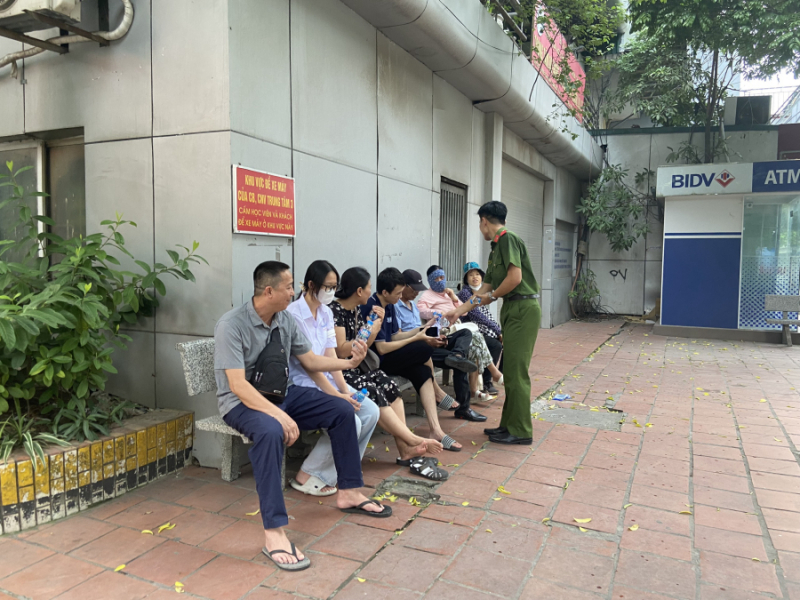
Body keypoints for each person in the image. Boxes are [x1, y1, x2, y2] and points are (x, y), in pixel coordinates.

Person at [215, 261, 391, 572]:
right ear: (268, 291)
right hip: (241, 403)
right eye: (287, 287)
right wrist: (279, 416)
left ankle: (349, 491)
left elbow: (309, 360)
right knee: (270, 431)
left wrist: (349, 364)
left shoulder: (284, 319)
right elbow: (237, 385)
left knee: (341, 409)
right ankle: (274, 531)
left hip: (282, 394)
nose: (293, 292)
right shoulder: (232, 324)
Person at [330, 267, 448, 477]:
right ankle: (411, 440)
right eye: (368, 287)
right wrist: (373, 329)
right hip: (340, 372)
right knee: (373, 391)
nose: (371, 292)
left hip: (357, 367)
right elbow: (342, 351)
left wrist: (373, 329)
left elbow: (365, 343)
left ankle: (405, 450)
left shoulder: (357, 310)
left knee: (389, 385)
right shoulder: (335, 311)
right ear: (359, 291)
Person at [446, 201, 541, 445]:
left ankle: (520, 431)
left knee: (516, 373)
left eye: (480, 223)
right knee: (510, 371)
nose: (481, 228)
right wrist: (458, 311)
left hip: (522, 308)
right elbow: (484, 288)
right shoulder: (496, 248)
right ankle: (508, 425)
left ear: (484, 221)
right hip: (512, 308)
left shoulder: (507, 239)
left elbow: (514, 278)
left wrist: (493, 296)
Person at [286, 260, 380, 497]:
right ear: (311, 285)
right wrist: (337, 395)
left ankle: (335, 473)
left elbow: (330, 355)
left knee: (370, 411)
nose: (331, 292)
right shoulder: (294, 315)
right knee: (351, 419)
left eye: (334, 287)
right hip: (303, 384)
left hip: (326, 378)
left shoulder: (326, 312)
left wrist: (344, 390)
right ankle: (306, 475)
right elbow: (310, 366)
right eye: (327, 287)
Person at [361, 267, 464, 452]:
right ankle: (438, 392)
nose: (400, 296)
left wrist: (422, 330)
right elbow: (382, 348)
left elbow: (395, 336)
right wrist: (417, 338)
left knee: (423, 371)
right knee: (424, 348)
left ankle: (436, 430)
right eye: (398, 293)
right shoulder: (373, 307)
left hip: (392, 356)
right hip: (378, 362)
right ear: (385, 292)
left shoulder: (390, 305)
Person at [396, 269, 484, 422]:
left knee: (465, 335)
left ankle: (457, 355)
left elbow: (422, 328)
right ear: (403, 286)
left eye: (418, 289)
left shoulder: (412, 305)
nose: (417, 293)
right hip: (416, 348)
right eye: (414, 289)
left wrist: (437, 336)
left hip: (428, 341)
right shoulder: (396, 306)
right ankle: (463, 408)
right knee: (460, 364)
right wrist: (427, 336)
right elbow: (400, 336)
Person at [418, 265, 502, 404]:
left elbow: (464, 311)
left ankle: (474, 390)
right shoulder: (427, 295)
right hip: (445, 330)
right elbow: (421, 310)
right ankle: (492, 373)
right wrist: (437, 313)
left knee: (475, 343)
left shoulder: (448, 294)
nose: (440, 281)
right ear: (431, 280)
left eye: (442, 277)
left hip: (457, 328)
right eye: (437, 278)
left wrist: (454, 298)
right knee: (475, 335)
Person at [457, 261, 504, 396]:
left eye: (477, 274)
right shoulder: (465, 294)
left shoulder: (481, 292)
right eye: (471, 275)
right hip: (471, 332)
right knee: (495, 345)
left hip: (482, 329)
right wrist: (498, 331)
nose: (475, 277)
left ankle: (498, 376)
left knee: (503, 342)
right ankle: (488, 381)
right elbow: (477, 316)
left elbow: (487, 316)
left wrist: (499, 331)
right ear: (466, 279)